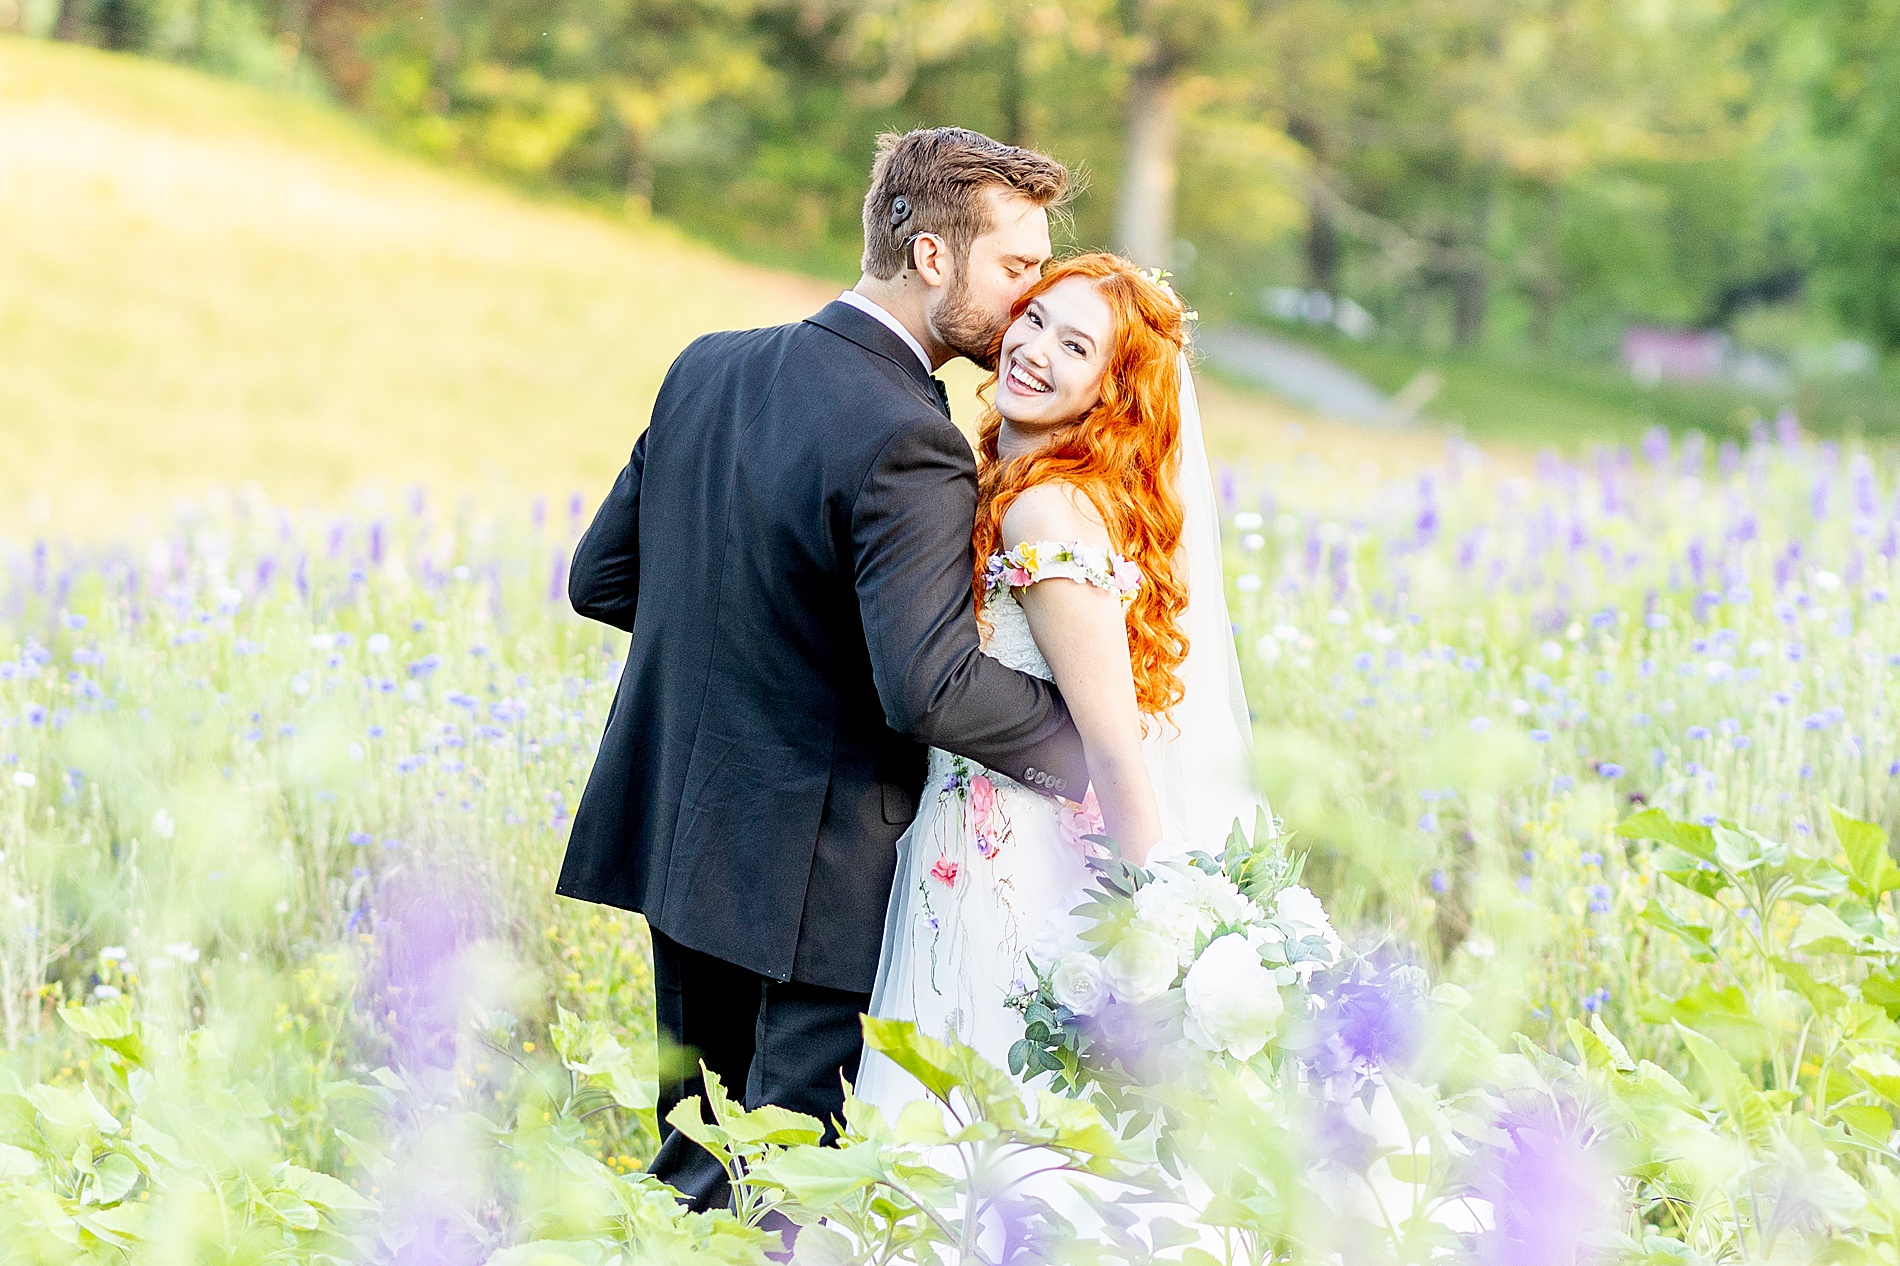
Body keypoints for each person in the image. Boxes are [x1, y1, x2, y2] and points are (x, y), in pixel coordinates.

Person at [556, 127, 1093, 1212]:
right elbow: (928, 687)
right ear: (934, 258)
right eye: (1017, 266)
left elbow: (603, 579)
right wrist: (1093, 745)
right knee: (780, 1203)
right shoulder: (911, 437)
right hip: (814, 883)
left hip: (685, 844)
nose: (1029, 295)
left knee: (694, 1171)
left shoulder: (709, 365)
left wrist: (757, 663)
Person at [855, 252, 1263, 1114]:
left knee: (995, 1117)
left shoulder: (1046, 512)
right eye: (1036, 319)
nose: (1035, 349)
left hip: (1014, 866)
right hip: (978, 845)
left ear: (1110, 393)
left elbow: (1115, 743)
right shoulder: (1022, 485)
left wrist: (1158, 926)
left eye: (1077, 347)